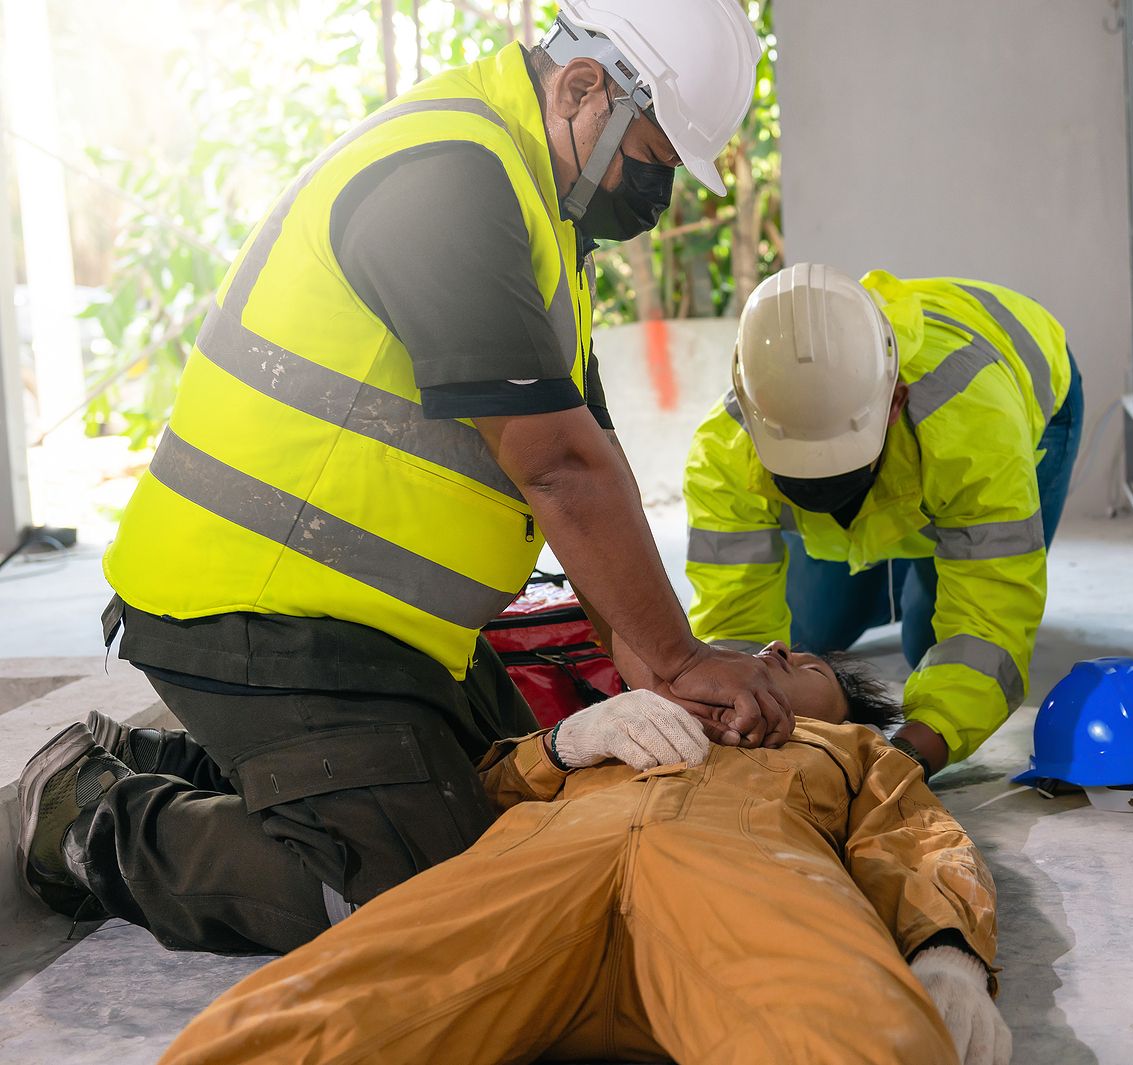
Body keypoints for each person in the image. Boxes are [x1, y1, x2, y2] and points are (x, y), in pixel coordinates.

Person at [16, 0, 789, 956]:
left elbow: (597, 461)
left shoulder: (534, 212)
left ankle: (201, 765)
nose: (654, 192)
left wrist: (652, 665)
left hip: (376, 632)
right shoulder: (448, 178)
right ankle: (93, 818)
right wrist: (678, 660)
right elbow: (556, 467)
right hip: (255, 613)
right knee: (434, 898)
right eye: (652, 159)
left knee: (527, 813)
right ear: (584, 88)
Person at [156, 644, 1012, 1065]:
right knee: (278, 1027)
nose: (768, 656)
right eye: (752, 651)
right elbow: (479, 796)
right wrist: (562, 742)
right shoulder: (629, 719)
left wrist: (946, 951)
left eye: (801, 661)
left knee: (867, 1041)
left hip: (742, 883)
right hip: (530, 876)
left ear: (847, 715)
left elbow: (914, 841)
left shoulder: (853, 752)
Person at [684, 264, 1086, 777]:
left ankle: (924, 568)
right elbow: (734, 629)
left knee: (930, 645)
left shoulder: (976, 426)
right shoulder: (723, 451)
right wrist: (728, 713)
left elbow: (989, 622)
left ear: (894, 403)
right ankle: (899, 570)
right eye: (798, 471)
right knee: (814, 632)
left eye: (838, 464)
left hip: (1029, 399)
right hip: (915, 458)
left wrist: (906, 759)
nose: (820, 486)